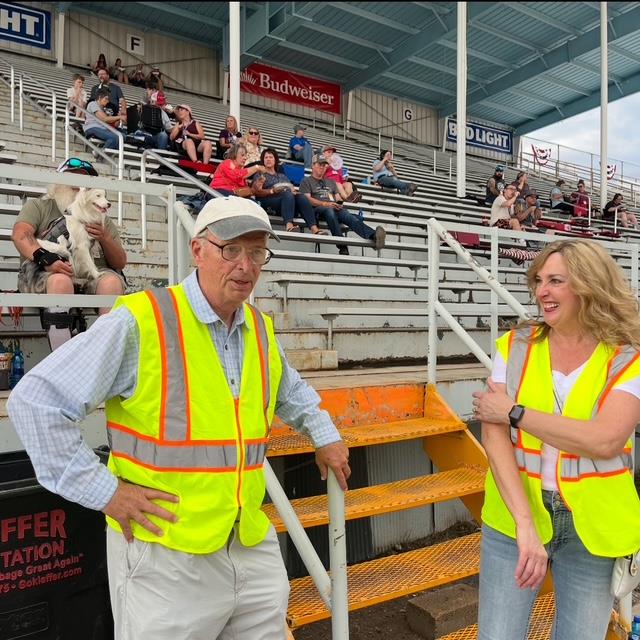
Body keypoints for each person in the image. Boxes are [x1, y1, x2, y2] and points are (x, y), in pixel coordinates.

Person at [7, 196, 351, 639]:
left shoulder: (259, 328)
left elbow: (292, 391)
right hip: (165, 556)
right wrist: (105, 492)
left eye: (256, 252)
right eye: (231, 249)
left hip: (248, 544)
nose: (245, 266)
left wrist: (325, 435)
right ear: (197, 250)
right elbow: (35, 402)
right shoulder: (142, 320)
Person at [471, 239, 640, 640]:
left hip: (592, 527)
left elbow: (604, 440)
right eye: (539, 281)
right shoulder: (516, 345)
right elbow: (493, 433)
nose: (541, 291)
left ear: (588, 285)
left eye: (556, 281)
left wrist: (515, 413)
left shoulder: (626, 356)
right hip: (515, 515)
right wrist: (525, 524)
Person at [11, 157, 126, 349]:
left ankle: (105, 353)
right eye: (73, 179)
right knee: (60, 281)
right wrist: (45, 259)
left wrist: (105, 237)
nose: (80, 185)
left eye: (85, 182)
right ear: (58, 181)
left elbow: (120, 262)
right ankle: (63, 357)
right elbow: (20, 235)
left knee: (111, 283)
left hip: (89, 275)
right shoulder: (39, 206)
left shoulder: (100, 216)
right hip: (44, 271)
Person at [300, 153, 386, 255]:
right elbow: (307, 200)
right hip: (318, 209)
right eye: (319, 165)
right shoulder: (306, 181)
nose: (322, 167)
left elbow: (337, 198)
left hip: (332, 207)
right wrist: (325, 204)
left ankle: (373, 236)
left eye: (324, 165)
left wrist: (341, 203)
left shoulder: (330, 182)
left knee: (346, 214)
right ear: (313, 165)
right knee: (330, 211)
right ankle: (342, 246)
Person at [251, 147, 328, 235]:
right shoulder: (260, 174)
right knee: (287, 194)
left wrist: (295, 193)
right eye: (266, 157)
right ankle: (289, 226)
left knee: (301, 197)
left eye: (271, 157)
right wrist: (272, 191)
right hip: (269, 201)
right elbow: (256, 192)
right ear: (263, 160)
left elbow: (291, 189)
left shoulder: (282, 176)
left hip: (286, 202)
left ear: (275, 160)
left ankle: (315, 229)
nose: (268, 159)